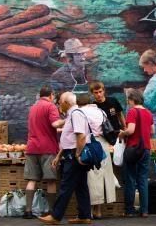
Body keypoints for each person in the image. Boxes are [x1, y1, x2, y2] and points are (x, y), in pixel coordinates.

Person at [39, 92, 92, 225]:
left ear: (66, 103)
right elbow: (69, 138)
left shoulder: (76, 114)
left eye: (60, 102)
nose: (59, 104)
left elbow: (81, 137)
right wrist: (59, 155)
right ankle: (84, 215)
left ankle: (56, 216)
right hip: (71, 153)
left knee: (66, 185)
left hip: (74, 155)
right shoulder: (71, 115)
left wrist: (78, 154)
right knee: (81, 186)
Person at [23, 85, 65, 219]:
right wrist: (69, 120)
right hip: (47, 148)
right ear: (51, 95)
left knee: (32, 179)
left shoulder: (33, 107)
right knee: (51, 181)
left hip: (32, 147)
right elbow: (55, 124)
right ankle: (52, 211)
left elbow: (44, 127)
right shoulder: (50, 106)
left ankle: (28, 211)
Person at [77, 93, 116, 219]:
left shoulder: (80, 112)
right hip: (103, 144)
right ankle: (98, 211)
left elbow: (80, 134)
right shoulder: (101, 112)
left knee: (91, 178)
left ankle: (88, 210)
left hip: (89, 145)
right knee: (102, 175)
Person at [118, 88, 154, 218]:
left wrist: (123, 133)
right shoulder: (149, 113)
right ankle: (144, 210)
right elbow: (152, 131)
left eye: (128, 100)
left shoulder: (132, 111)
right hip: (146, 149)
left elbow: (131, 130)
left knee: (131, 179)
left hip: (133, 148)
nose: (128, 102)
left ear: (132, 100)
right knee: (143, 179)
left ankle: (129, 210)